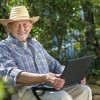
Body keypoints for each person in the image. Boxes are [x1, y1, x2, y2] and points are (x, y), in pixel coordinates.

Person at [0, 6, 92, 100]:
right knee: (63, 97)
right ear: (10, 28)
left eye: (25, 24)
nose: (22, 29)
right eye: (17, 25)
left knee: (84, 90)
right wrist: (45, 77)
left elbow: (55, 65)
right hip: (26, 91)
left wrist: (74, 75)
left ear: (30, 26)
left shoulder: (35, 43)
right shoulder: (4, 46)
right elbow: (11, 74)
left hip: (48, 86)